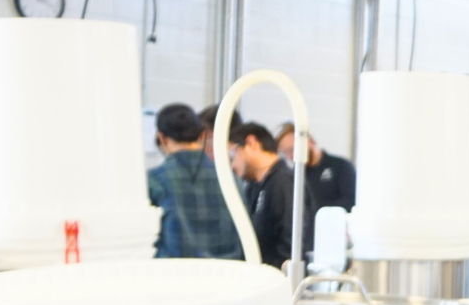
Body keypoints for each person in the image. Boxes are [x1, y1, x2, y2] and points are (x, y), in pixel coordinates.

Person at [147, 103, 243, 259]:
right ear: (202, 135)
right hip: (227, 275)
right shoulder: (232, 179)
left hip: (176, 276)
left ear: (161, 138)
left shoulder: (155, 180)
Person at [228, 120, 311, 268]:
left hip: (277, 282)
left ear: (251, 143)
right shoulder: (255, 186)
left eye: (233, 154)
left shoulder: (283, 183)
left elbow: (291, 245)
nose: (232, 165)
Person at [277, 122, 357, 212]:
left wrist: (312, 209)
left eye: (292, 150)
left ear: (309, 141)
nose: (290, 157)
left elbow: (350, 203)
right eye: (285, 153)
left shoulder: (340, 167)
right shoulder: (294, 175)